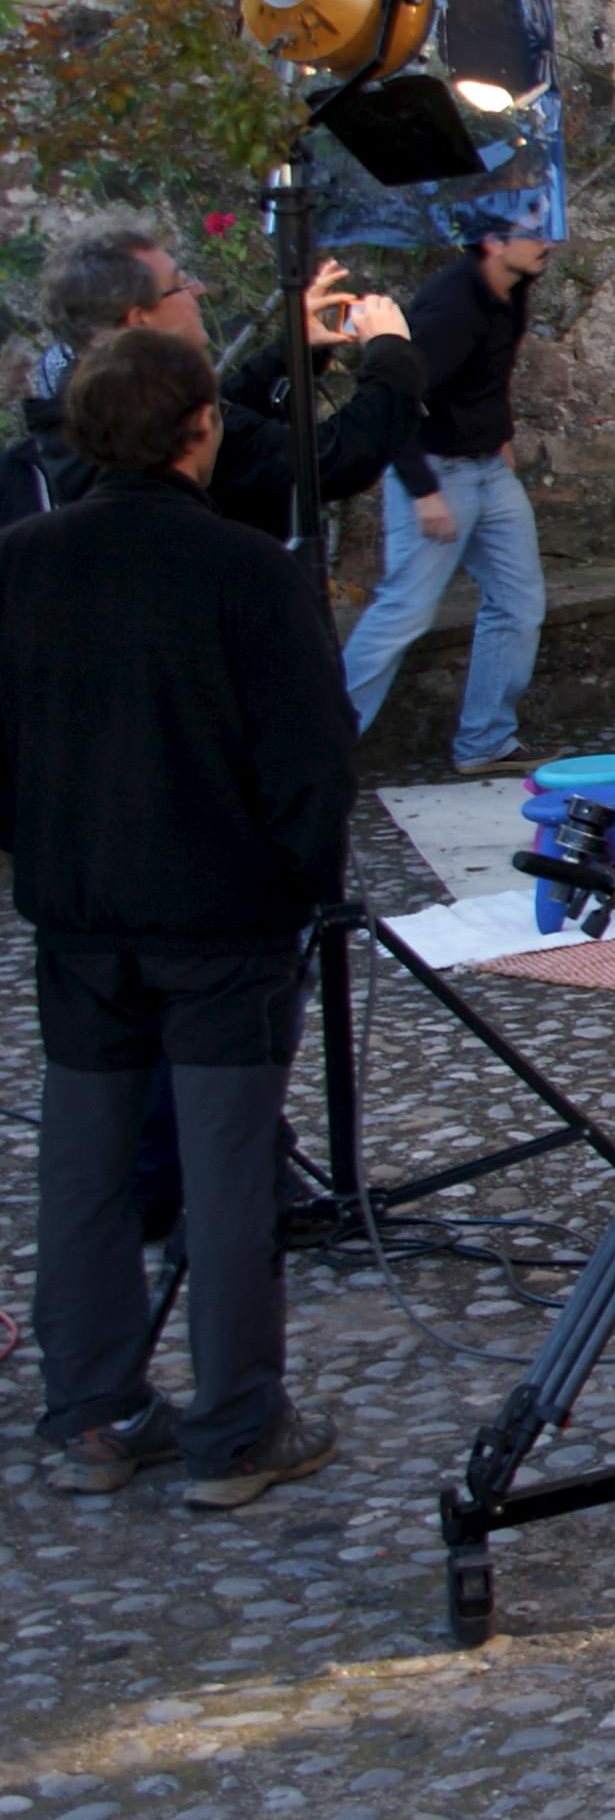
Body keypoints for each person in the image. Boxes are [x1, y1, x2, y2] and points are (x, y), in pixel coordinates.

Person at [6, 330, 357, 1507]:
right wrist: (298, 881)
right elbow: (312, 758)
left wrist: (45, 849)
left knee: (87, 1161)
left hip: (83, 906)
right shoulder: (247, 569)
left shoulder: (24, 560)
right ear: (201, 432)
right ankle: (236, 1426)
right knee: (225, 1172)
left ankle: (93, 1408)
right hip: (221, 913)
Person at [2, 220, 419, 534]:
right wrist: (390, 350)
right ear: (140, 318)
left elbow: (233, 426)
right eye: (179, 284)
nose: (198, 289)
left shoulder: (85, 399)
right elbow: (336, 458)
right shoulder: (159, 423)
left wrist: (293, 352)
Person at [340, 229, 556, 775]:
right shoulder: (450, 307)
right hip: (436, 472)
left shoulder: (512, 289)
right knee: (405, 610)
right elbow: (397, 398)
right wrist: (422, 490)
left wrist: (501, 437)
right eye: (532, 231)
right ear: (492, 240)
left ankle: (485, 740)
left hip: (488, 469)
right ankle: (322, 742)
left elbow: (491, 374)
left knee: (518, 602)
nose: (547, 240)